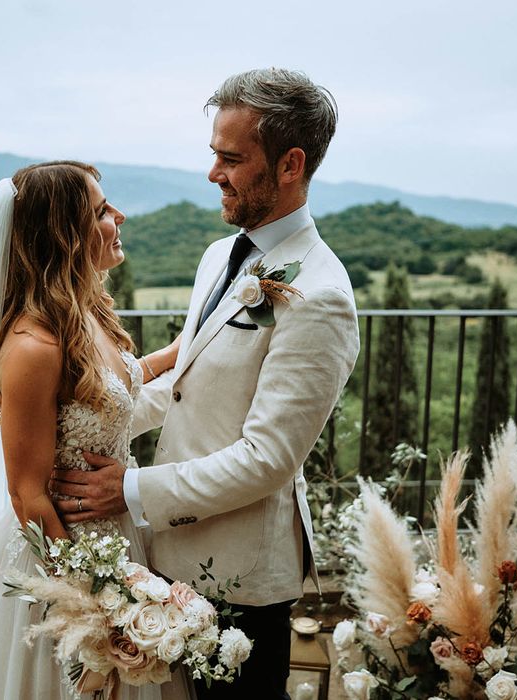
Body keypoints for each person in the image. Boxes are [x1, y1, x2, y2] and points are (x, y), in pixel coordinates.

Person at [51, 69, 360, 699]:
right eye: (214, 154)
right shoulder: (219, 258)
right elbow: (185, 386)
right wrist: (89, 425)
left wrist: (129, 490)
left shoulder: (322, 296)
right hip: (163, 563)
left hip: (239, 578)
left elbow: (268, 458)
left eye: (231, 158)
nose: (213, 173)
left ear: (289, 164)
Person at [0, 161, 192, 699]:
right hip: (63, 559)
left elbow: (117, 382)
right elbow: (26, 495)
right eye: (100, 212)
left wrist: (192, 346)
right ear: (65, 236)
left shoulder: (81, 317)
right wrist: (98, 601)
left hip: (116, 539)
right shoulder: (31, 346)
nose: (119, 216)